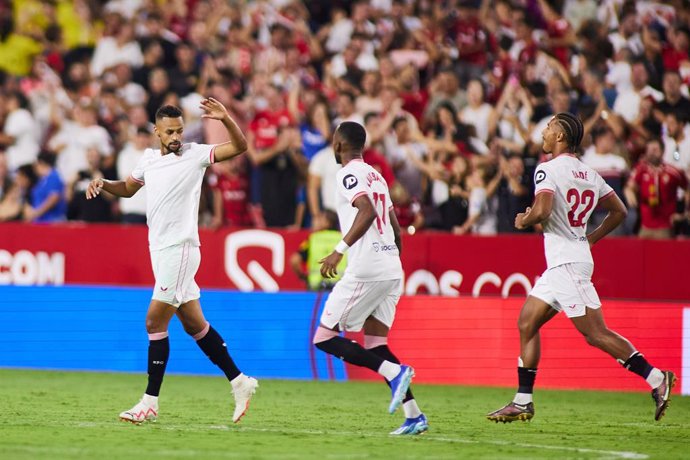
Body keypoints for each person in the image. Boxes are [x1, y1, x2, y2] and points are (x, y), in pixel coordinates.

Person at [486, 112, 676, 423]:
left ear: (560, 137)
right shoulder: (590, 173)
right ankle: (522, 400)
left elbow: (544, 208)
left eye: (549, 128)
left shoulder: (546, 169)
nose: (544, 133)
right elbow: (619, 210)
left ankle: (656, 379)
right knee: (527, 322)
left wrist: (526, 219)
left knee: (595, 333)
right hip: (569, 259)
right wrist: (591, 238)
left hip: (566, 263)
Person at [85, 101, 258, 424]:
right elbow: (127, 188)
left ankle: (150, 401)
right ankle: (240, 381)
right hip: (161, 251)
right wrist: (103, 183)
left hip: (181, 249)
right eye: (170, 131)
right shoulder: (149, 160)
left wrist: (226, 119)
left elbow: (240, 146)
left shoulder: (195, 154)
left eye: (179, 129)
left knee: (154, 323)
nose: (176, 136)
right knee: (195, 325)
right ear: (157, 132)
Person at [313, 121, 427, 435]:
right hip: (391, 267)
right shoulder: (376, 174)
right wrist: (392, 260)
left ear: (338, 144)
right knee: (376, 343)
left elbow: (365, 211)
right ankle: (414, 415)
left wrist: (338, 250)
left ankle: (394, 372)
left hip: (367, 267)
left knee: (323, 337)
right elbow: (396, 227)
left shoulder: (346, 174)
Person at [290, 209, 346, 291]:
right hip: (341, 287)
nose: (315, 221)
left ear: (327, 222)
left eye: (319, 218)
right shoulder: (344, 239)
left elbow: (294, 261)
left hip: (316, 288)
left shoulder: (313, 239)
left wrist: (304, 277)